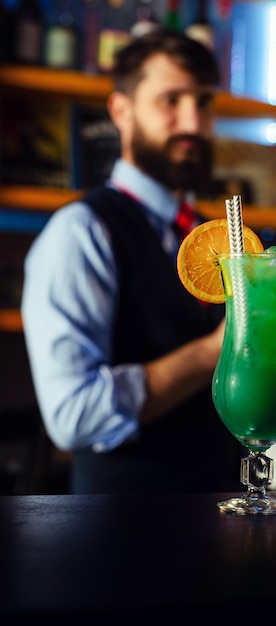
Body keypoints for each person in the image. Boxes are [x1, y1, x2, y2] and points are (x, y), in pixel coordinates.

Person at [21, 28, 244, 494]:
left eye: (203, 102)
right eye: (171, 100)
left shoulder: (216, 237)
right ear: (121, 111)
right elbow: (71, 414)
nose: (193, 122)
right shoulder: (81, 231)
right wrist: (210, 352)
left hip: (221, 521)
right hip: (122, 538)